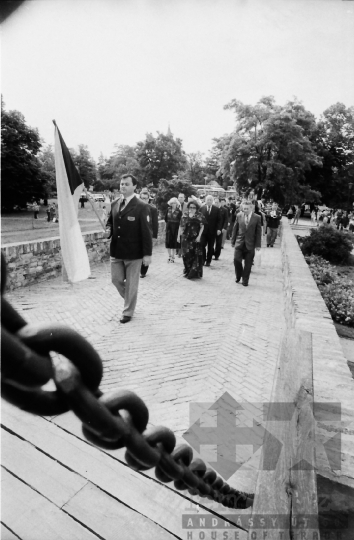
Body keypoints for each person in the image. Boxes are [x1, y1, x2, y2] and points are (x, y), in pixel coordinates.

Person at [105, 174, 152, 324]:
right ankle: (131, 299)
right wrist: (108, 231)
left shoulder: (141, 206)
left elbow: (146, 232)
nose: (122, 186)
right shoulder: (114, 204)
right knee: (116, 279)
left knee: (132, 284)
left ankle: (128, 311)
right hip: (116, 250)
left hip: (134, 253)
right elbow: (110, 224)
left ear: (134, 187)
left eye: (126, 184)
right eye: (121, 184)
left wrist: (147, 254)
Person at [231, 199, 262, 287]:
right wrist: (233, 241)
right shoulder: (239, 215)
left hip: (250, 244)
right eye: (244, 209)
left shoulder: (257, 217)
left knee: (248, 264)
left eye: (247, 209)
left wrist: (258, 245)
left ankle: (245, 280)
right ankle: (238, 275)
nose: (245, 210)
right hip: (239, 242)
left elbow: (258, 232)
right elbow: (235, 229)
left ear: (251, 208)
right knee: (236, 260)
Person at [178, 201, 206, 279]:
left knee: (194, 255)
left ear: (196, 208)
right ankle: (187, 270)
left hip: (195, 238)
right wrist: (178, 236)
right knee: (185, 255)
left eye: (194, 207)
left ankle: (192, 273)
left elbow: (202, 227)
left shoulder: (199, 215)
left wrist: (199, 236)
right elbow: (180, 226)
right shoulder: (185, 215)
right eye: (190, 207)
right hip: (185, 238)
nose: (192, 209)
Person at [139, 191, 158, 278]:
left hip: (148, 235)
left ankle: (143, 271)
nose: (144, 200)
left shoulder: (152, 209)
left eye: (145, 198)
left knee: (146, 252)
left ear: (148, 199)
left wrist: (154, 236)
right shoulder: (136, 208)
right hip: (137, 235)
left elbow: (155, 223)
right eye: (142, 198)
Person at [200, 195, 222, 266]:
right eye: (207, 200)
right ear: (205, 201)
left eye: (210, 200)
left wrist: (219, 229)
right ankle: (203, 259)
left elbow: (219, 220)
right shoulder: (202, 208)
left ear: (212, 201)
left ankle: (208, 261)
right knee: (202, 245)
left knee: (210, 246)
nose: (209, 201)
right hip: (203, 231)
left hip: (212, 231)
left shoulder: (216, 209)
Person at [165, 197, 182, 263]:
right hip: (168, 227)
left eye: (174, 203)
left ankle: (173, 256)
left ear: (176, 203)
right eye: (172, 203)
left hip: (176, 228)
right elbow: (166, 219)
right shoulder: (168, 209)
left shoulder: (179, 211)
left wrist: (179, 231)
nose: (173, 204)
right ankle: (169, 256)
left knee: (174, 242)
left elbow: (181, 221)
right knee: (168, 242)